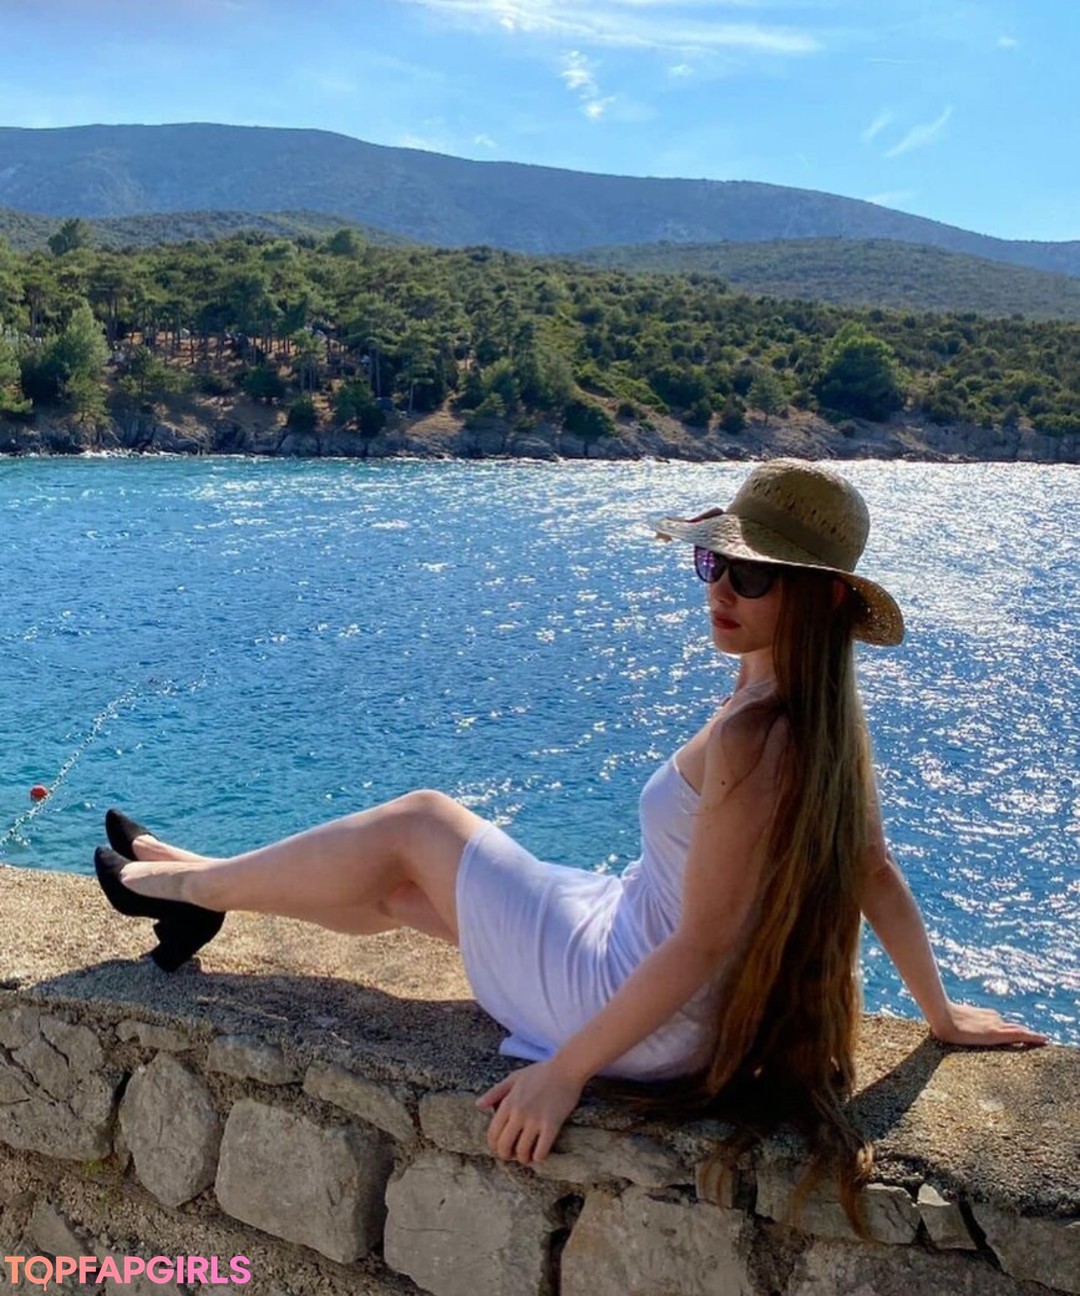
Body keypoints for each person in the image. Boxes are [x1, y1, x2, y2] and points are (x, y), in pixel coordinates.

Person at [93, 458, 1046, 1228]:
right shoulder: (814, 721)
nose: (721, 589)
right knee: (401, 894)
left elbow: (705, 939)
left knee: (421, 822)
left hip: (635, 1001)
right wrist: (940, 1015)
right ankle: (197, 880)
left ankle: (176, 891)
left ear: (824, 600)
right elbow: (873, 869)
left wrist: (564, 1071)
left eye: (752, 576)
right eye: (713, 564)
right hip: (646, 960)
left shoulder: (761, 738)